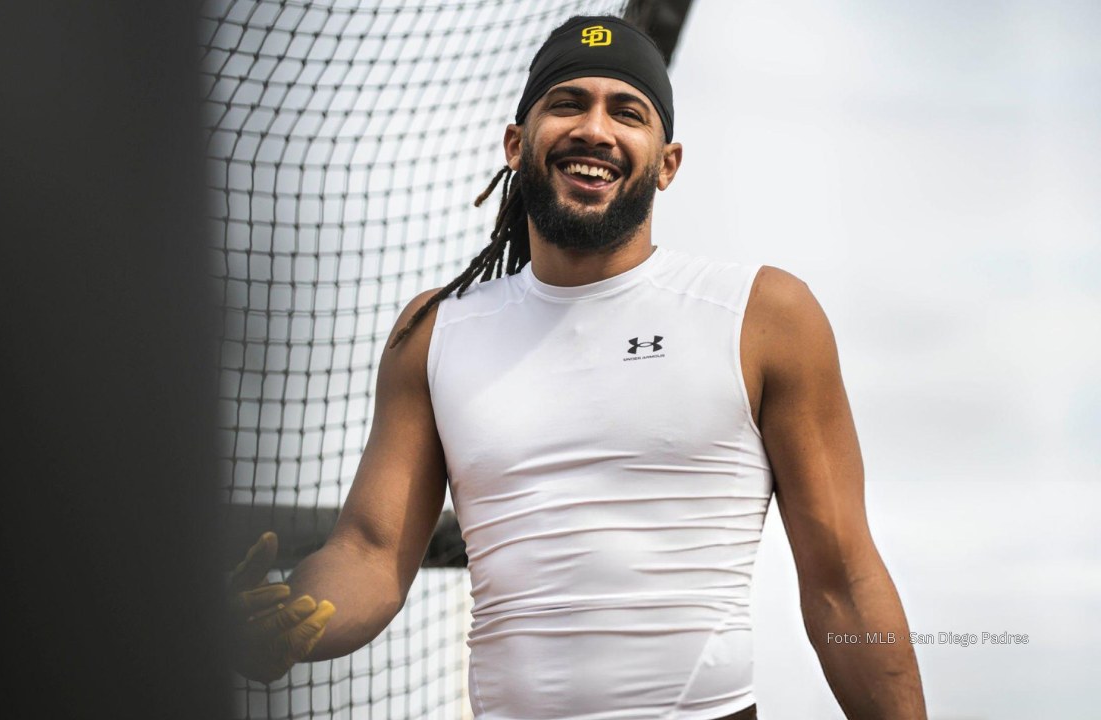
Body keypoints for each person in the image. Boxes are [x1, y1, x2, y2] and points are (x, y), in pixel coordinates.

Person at [230, 15, 926, 719]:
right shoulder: (436, 332)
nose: (596, 129)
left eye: (627, 111)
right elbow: (371, 555)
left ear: (667, 163)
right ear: (515, 144)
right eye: (568, 103)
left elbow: (843, 582)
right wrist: (288, 617)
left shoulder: (763, 314)